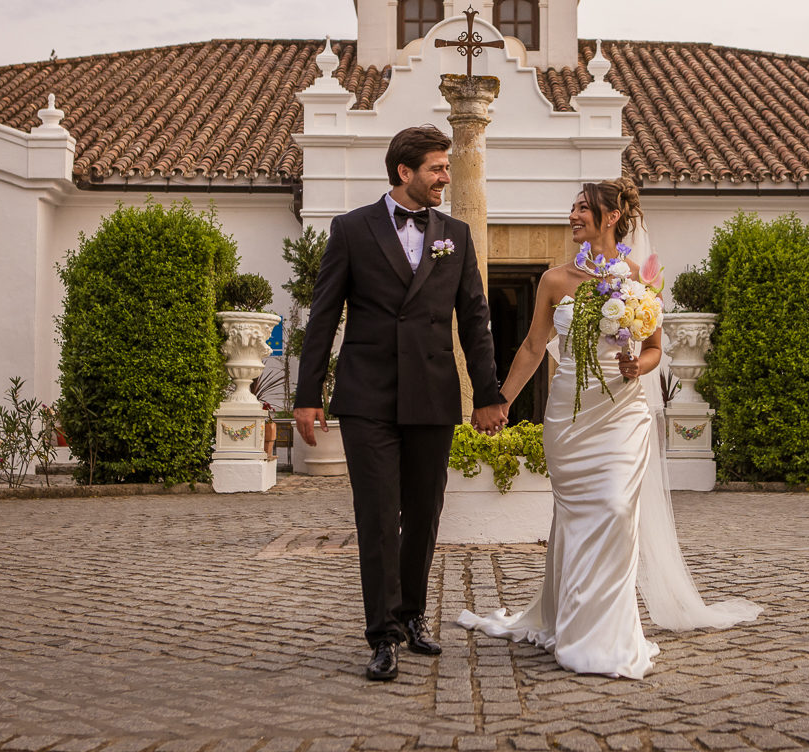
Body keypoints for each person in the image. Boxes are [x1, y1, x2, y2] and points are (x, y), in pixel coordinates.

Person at [457, 179, 760, 678]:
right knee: (577, 519)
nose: (573, 215)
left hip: (623, 414)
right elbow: (534, 347)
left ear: (611, 216)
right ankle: (572, 621)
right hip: (570, 416)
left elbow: (655, 348)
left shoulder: (641, 280)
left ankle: (607, 633)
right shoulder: (555, 280)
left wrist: (639, 367)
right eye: (572, 208)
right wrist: (499, 400)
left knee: (618, 509)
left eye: (582, 208)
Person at [293, 124, 509, 682]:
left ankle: (412, 615)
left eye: (447, 168)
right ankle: (383, 635)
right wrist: (307, 395)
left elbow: (476, 321)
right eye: (438, 168)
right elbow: (323, 316)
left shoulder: (457, 235)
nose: (446, 178)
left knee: (424, 513)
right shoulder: (350, 229)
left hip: (433, 395)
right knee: (376, 517)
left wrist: (487, 395)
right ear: (404, 173)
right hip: (368, 396)